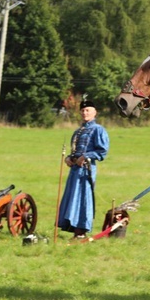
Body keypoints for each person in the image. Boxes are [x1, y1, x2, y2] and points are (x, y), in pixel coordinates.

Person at [56, 99, 110, 239]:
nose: (85, 113)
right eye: (83, 110)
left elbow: (102, 151)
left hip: (86, 170)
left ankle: (81, 231)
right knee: (72, 197)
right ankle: (72, 227)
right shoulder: (78, 131)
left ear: (94, 112)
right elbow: (75, 151)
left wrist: (86, 157)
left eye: (88, 110)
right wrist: (69, 158)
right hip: (74, 169)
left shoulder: (98, 129)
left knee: (83, 197)